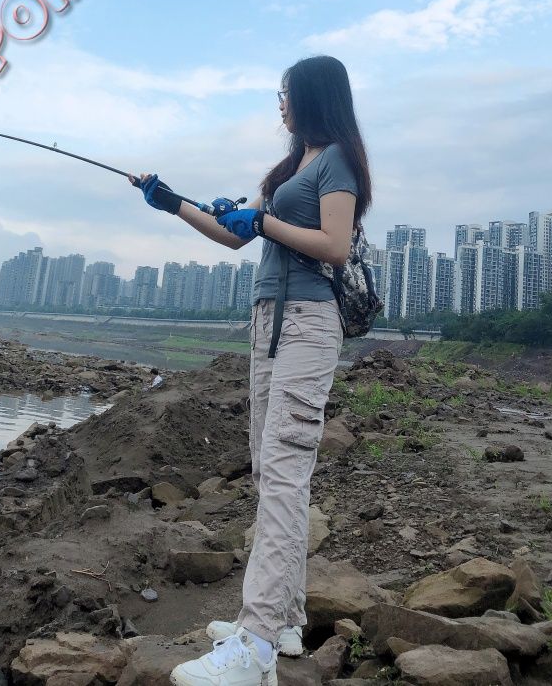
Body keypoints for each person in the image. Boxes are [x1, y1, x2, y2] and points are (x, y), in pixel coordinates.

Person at [130, 55, 372, 686]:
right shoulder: (288, 168)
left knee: (285, 470)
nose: (280, 105)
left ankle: (257, 646)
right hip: (268, 321)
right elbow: (233, 234)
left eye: (286, 94)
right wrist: (172, 202)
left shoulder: (336, 161)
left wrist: (264, 221)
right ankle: (285, 620)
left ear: (313, 96)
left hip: (309, 322)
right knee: (271, 470)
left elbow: (335, 246)